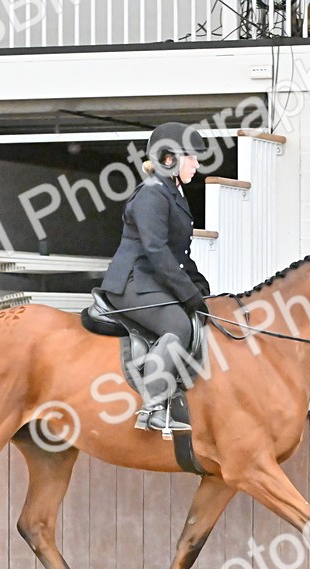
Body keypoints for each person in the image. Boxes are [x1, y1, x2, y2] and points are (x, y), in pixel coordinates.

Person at [100, 121, 212, 433]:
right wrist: (188, 294)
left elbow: (179, 255)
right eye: (191, 157)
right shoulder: (151, 195)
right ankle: (153, 408)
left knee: (197, 315)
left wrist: (200, 287)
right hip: (133, 282)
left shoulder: (172, 192)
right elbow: (156, 251)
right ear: (169, 159)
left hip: (153, 280)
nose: (196, 164)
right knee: (177, 324)